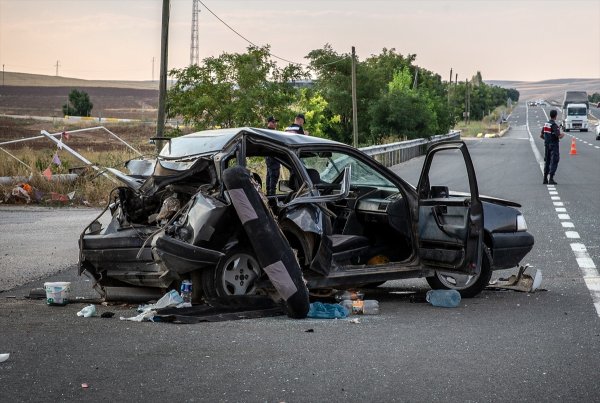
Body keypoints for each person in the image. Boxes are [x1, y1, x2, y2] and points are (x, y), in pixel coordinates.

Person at [541, 109, 565, 185]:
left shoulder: (546, 124)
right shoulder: (554, 125)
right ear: (555, 116)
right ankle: (551, 178)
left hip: (547, 145)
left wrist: (547, 139)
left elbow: (541, 135)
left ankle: (545, 179)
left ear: (550, 115)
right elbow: (559, 136)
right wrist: (563, 134)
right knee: (554, 160)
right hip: (554, 146)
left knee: (547, 161)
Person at [265, 116, 280, 196]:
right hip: (272, 157)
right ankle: (271, 196)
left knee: (270, 176)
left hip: (271, 158)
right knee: (273, 176)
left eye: (275, 122)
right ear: (269, 123)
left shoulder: (271, 132)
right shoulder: (269, 132)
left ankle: (270, 194)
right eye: (273, 122)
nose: (275, 124)